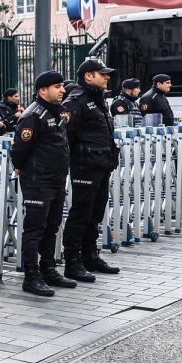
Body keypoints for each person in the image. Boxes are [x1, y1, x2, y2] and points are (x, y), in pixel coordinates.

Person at [11, 71, 75, 297]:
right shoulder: (33, 116)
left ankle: (48, 270)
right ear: (42, 90)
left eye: (62, 86)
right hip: (39, 181)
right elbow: (19, 148)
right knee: (35, 229)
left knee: (52, 226)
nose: (62, 90)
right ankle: (31, 276)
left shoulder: (56, 112)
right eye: (57, 86)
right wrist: (19, 168)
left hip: (56, 180)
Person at [62, 59, 121, 281]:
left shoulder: (98, 99)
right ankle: (72, 262)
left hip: (102, 165)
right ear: (88, 76)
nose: (107, 77)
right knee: (80, 214)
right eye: (102, 74)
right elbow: (66, 137)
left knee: (95, 214)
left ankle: (90, 256)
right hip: (85, 167)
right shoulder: (77, 101)